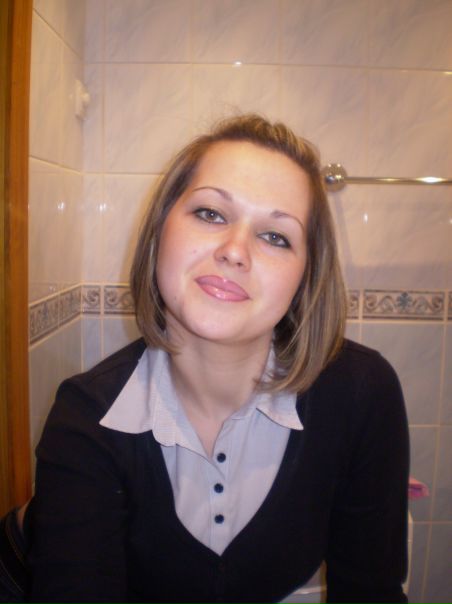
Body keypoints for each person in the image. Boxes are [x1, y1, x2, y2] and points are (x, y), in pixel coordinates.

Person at [15, 115, 409, 603]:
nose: (235, 251)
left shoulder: (361, 393)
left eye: (276, 236)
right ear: (159, 232)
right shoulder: (87, 417)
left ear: (305, 278)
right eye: (210, 214)